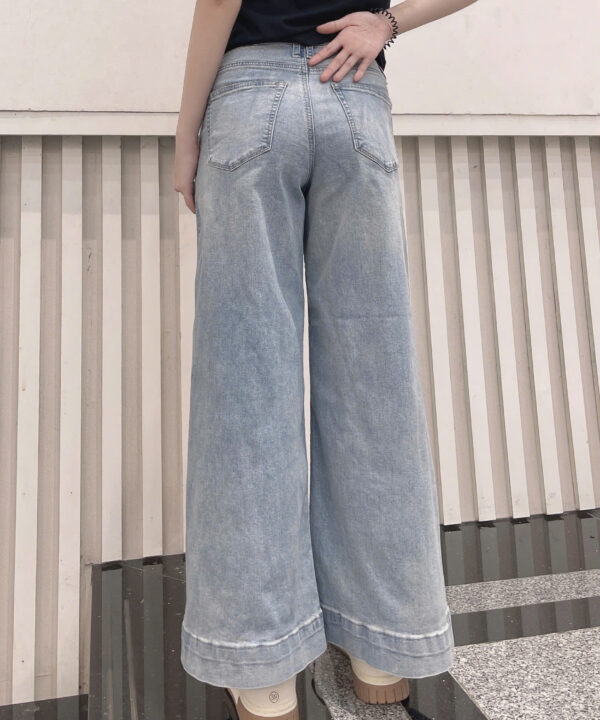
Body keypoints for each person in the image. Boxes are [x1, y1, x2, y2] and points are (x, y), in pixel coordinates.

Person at [174, 0, 477, 717]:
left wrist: (186, 134)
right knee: (375, 382)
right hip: (355, 98)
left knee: (245, 383)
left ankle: (262, 667)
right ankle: (381, 647)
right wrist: (386, 24)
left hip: (249, 102)